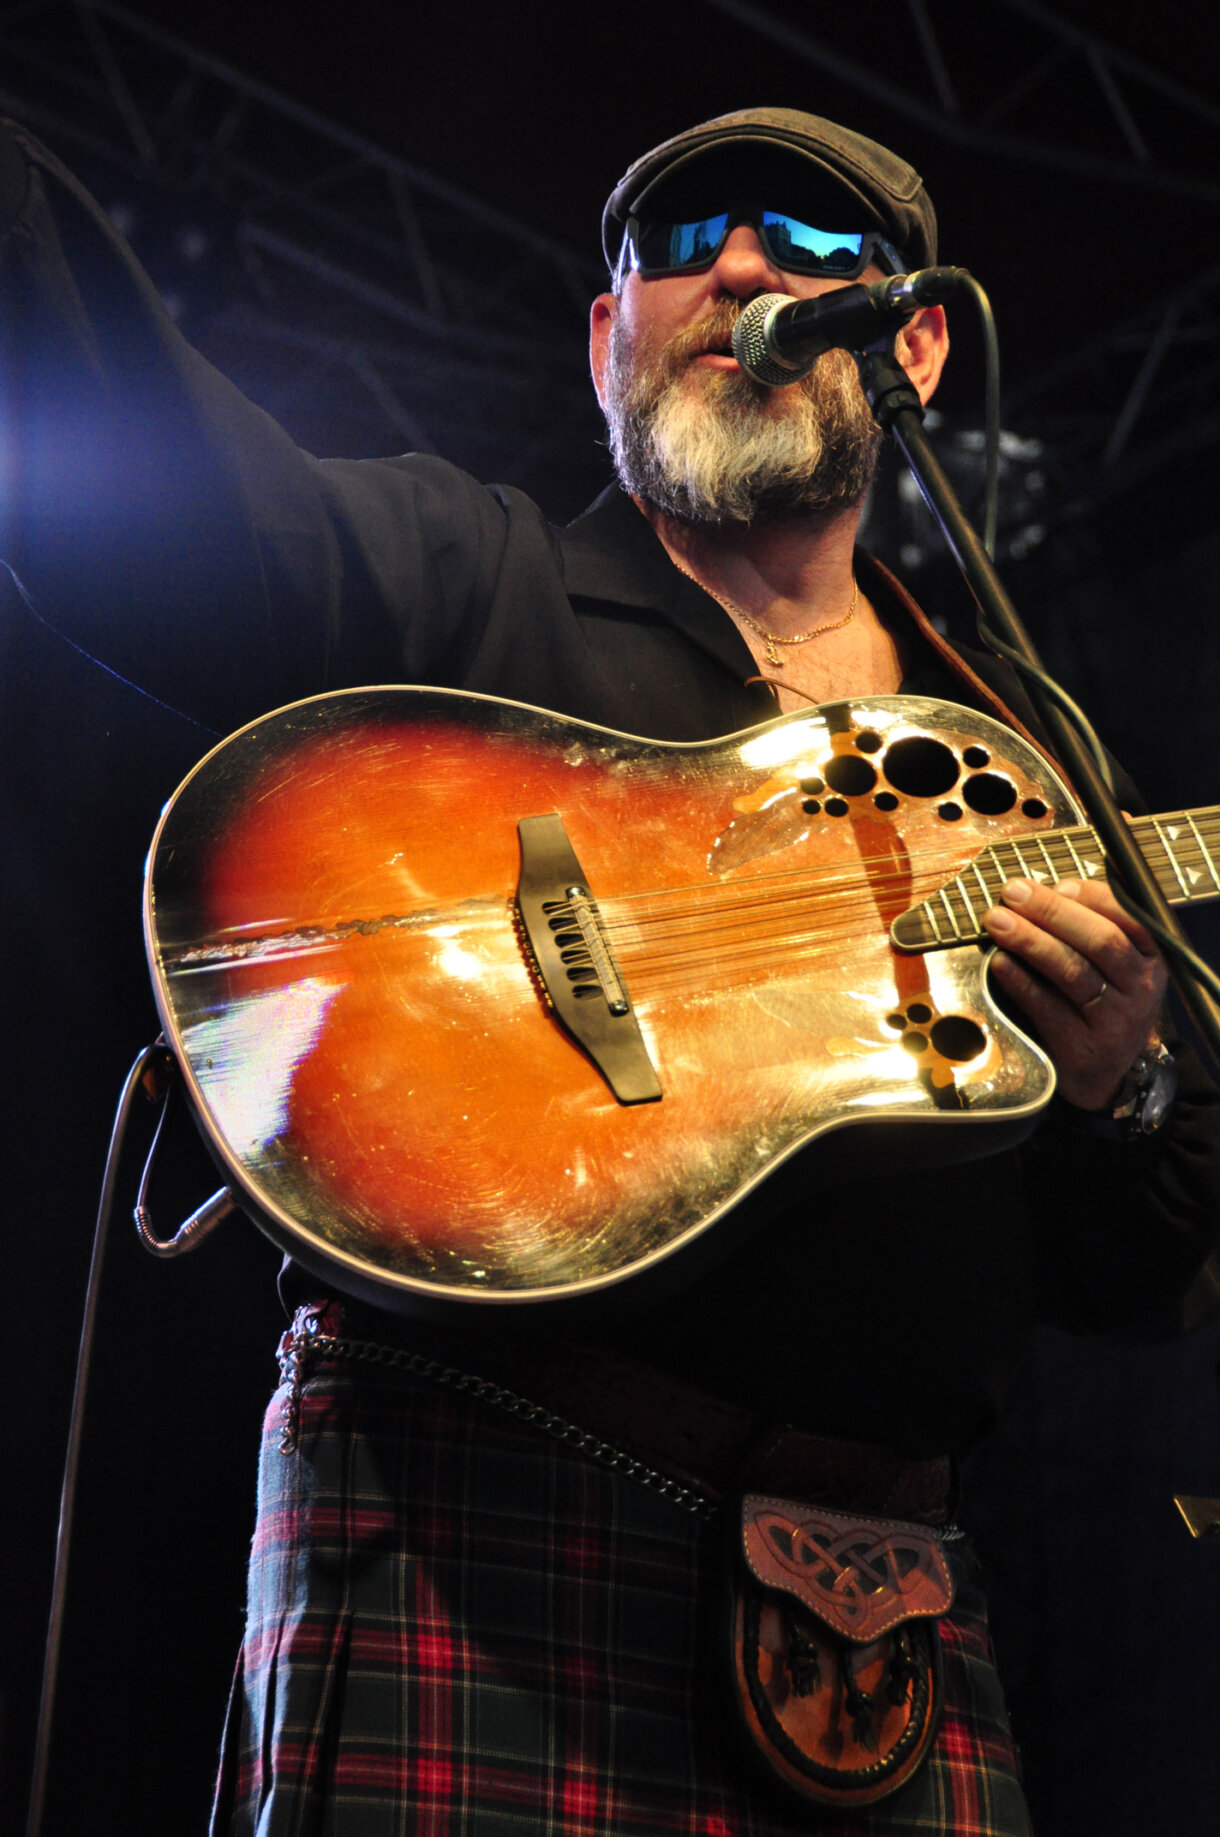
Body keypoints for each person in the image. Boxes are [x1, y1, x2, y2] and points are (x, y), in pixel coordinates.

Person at [3, 104, 1218, 1835]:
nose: (744, 271)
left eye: (811, 248)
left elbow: (1155, 1268)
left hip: (877, 1622)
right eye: (685, 245)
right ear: (604, 342)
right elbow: (183, 517)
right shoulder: (475, 584)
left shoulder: (1021, 749)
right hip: (459, 1517)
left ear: (917, 346)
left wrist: (1122, 1082)